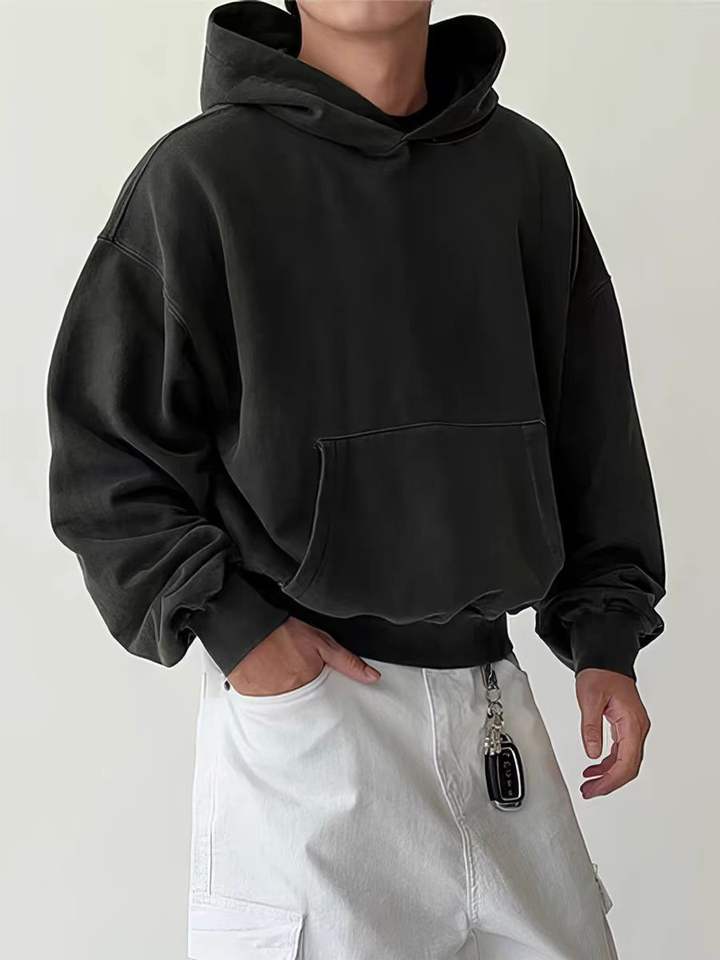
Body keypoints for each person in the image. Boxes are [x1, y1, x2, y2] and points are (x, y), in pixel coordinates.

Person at [46, 1, 665, 957]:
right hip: (311, 735)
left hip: (497, 711)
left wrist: (606, 636)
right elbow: (104, 452)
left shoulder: (522, 170)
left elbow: (592, 424)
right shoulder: (200, 179)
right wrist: (236, 629)